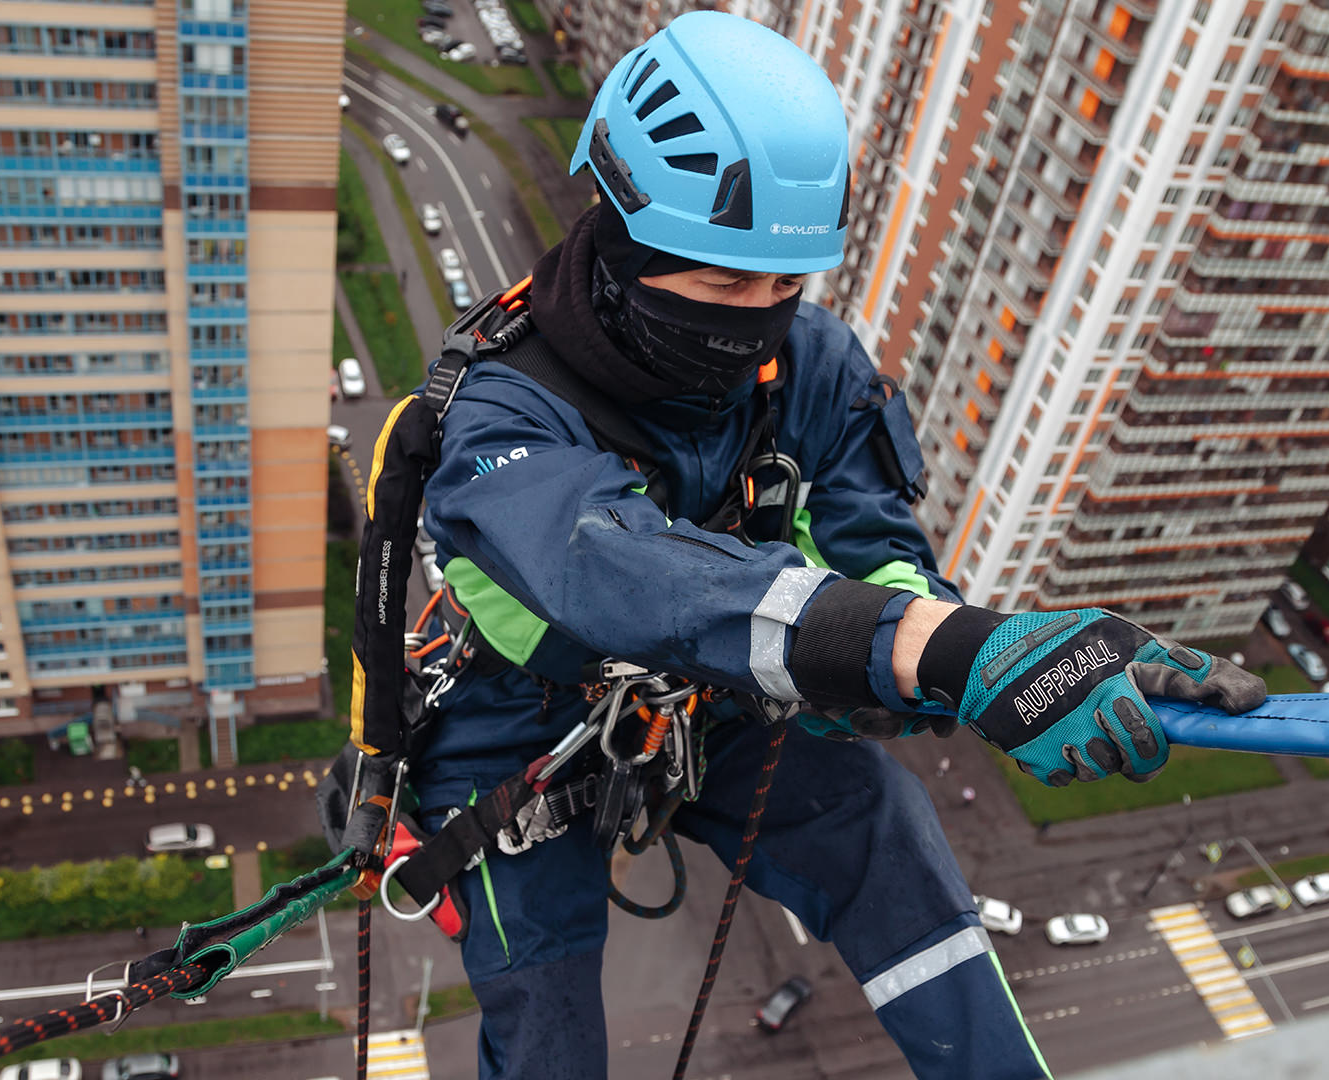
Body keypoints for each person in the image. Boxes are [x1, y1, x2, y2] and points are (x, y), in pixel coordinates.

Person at [409, 13, 1264, 1079]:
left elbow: (872, 543)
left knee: (883, 830)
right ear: (625, 238)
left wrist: (973, 654)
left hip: (712, 693)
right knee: (547, 1028)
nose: (759, 319)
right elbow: (609, 567)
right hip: (512, 722)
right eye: (726, 285)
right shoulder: (504, 412)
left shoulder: (806, 362)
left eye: (783, 286)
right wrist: (923, 648)